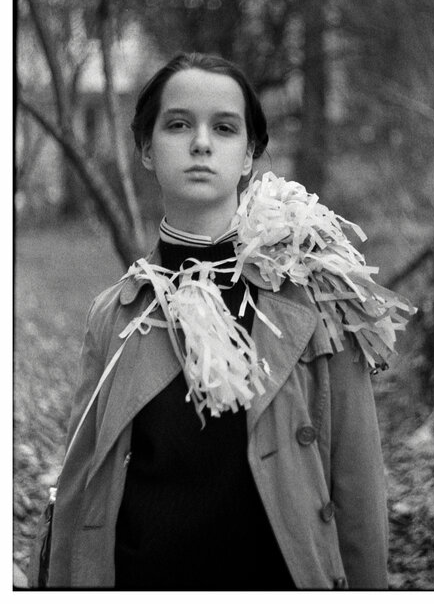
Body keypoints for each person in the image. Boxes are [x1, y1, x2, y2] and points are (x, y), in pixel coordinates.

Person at [29, 51, 411, 590]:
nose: (201, 143)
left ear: (249, 153)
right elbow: (78, 490)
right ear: (146, 149)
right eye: (178, 124)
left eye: (225, 128)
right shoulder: (114, 316)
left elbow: (359, 488)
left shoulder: (319, 293)